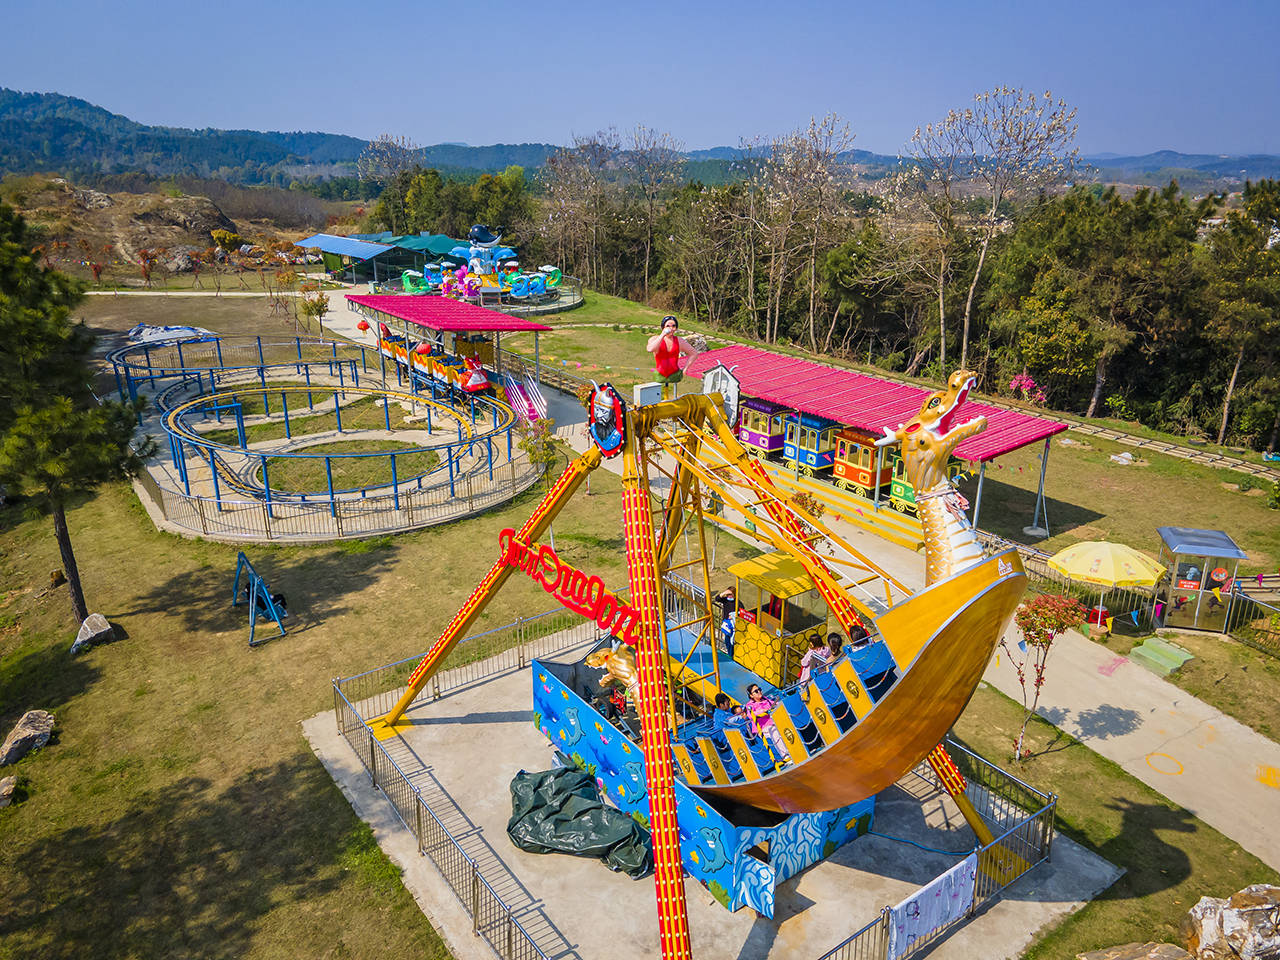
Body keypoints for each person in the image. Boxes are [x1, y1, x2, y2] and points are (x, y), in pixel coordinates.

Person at [646, 315, 700, 400]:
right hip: (660, 374)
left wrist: (685, 369)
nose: (671, 328)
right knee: (656, 396)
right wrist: (662, 335)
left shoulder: (679, 341)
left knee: (674, 398)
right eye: (668, 326)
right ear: (663, 327)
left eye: (673, 326)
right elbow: (650, 349)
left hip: (675, 374)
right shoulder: (655, 339)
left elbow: (694, 353)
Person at [745, 684, 791, 766]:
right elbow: (750, 715)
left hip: (774, 721)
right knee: (775, 733)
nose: (759, 691)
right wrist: (763, 710)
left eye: (759, 689)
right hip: (763, 727)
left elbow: (774, 704)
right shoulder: (749, 705)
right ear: (751, 695)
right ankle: (786, 757)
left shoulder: (766, 699)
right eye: (756, 691)